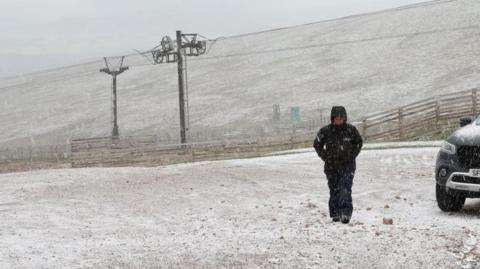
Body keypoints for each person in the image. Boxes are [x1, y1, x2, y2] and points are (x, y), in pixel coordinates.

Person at [313, 106, 363, 224]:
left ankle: (345, 214)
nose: (338, 120)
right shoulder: (325, 131)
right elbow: (317, 144)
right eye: (336, 118)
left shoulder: (351, 130)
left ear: (344, 118)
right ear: (332, 118)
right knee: (334, 189)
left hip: (348, 166)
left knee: (345, 188)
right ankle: (335, 213)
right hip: (331, 167)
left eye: (341, 118)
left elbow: (359, 143)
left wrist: (352, 156)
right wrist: (325, 157)